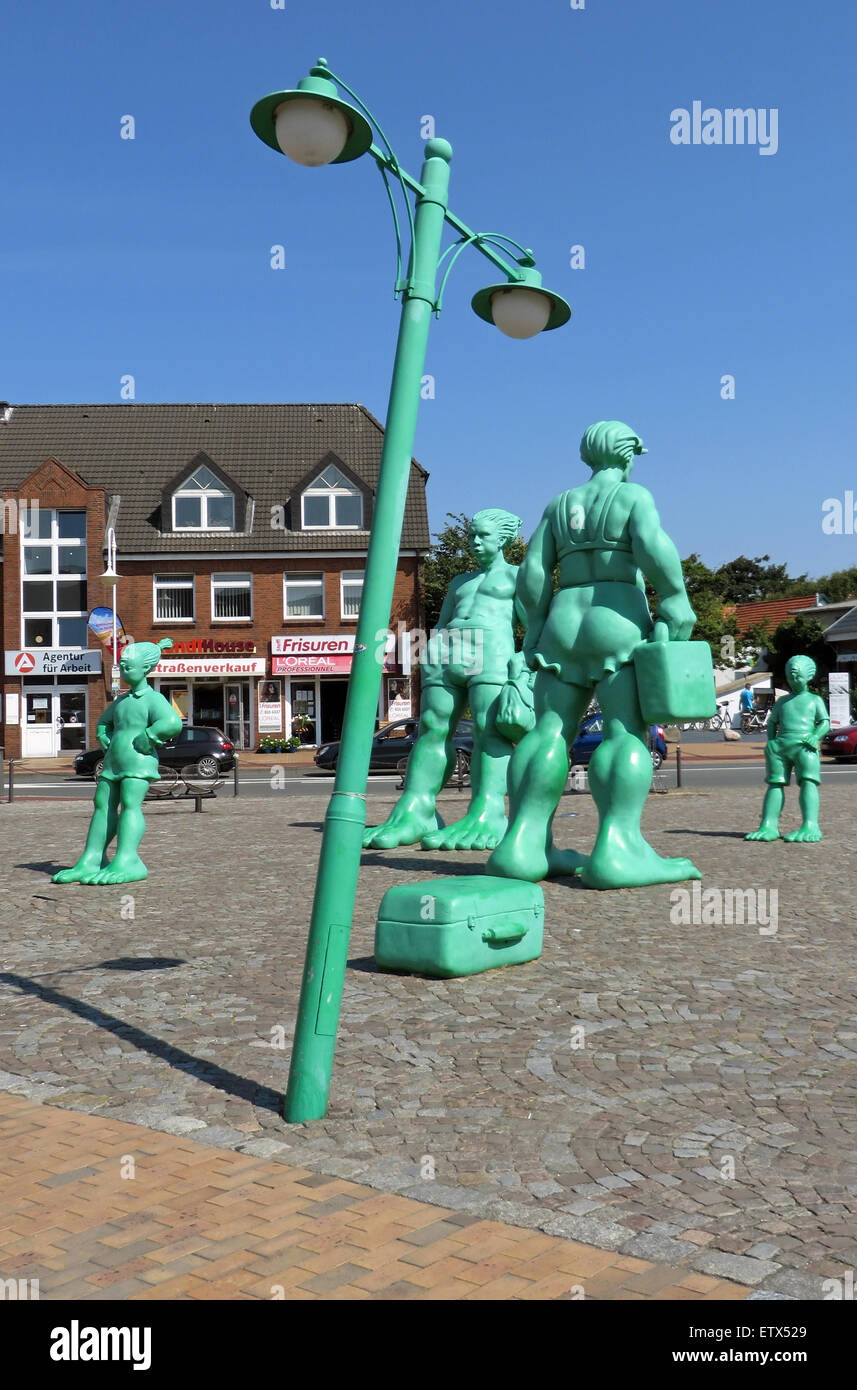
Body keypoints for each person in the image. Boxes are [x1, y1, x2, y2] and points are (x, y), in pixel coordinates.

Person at [487, 420, 700, 889]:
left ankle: (523, 844)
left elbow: (534, 573)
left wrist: (536, 626)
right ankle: (617, 849)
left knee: (547, 732)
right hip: (616, 615)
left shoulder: (559, 505)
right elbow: (652, 547)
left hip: (565, 619)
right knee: (624, 732)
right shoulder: (633, 497)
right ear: (627, 455)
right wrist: (675, 598)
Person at [363, 508, 522, 851]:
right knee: (432, 728)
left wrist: (523, 662)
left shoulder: (518, 577)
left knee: (487, 728)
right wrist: (434, 648)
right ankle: (417, 809)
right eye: (472, 536)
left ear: (504, 539)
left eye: (484, 536)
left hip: (491, 647)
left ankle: (489, 811)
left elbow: (537, 625)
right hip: (446, 649)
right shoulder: (459, 581)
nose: (475, 542)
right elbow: (446, 618)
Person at [53, 639, 182, 884]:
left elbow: (173, 723)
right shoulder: (121, 701)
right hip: (113, 762)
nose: (123, 671)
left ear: (145, 668)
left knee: (130, 804)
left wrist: (150, 736)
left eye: (128, 667)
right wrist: (103, 735)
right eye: (122, 667)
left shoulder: (153, 699)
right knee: (102, 803)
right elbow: (104, 721)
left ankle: (128, 859)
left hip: (138, 762)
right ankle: (92, 858)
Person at [746, 655, 829, 842]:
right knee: (775, 784)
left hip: (805, 746)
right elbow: (772, 723)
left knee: (808, 782)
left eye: (797, 676)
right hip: (780, 747)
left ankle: (810, 825)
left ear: (808, 676)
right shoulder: (782, 702)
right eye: (790, 677)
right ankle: (769, 825)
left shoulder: (814, 700)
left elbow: (825, 722)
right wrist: (771, 743)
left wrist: (815, 736)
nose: (793, 681)